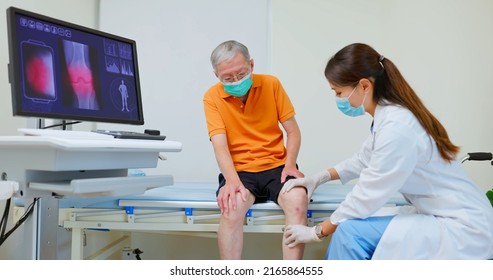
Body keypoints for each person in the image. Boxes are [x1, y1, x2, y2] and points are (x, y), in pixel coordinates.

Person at [281, 43, 493, 259]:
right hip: (443, 214)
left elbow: (368, 193)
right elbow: (363, 160)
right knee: (353, 227)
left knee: (348, 233)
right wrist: (319, 178)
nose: (338, 99)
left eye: (339, 92)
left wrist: (318, 231)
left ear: (364, 86)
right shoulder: (389, 117)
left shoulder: (397, 127)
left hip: (463, 227)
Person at [203, 40, 307, 259]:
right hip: (240, 171)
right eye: (228, 78)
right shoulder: (212, 97)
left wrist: (289, 165)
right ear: (216, 76)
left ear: (251, 64)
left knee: (298, 201)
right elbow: (219, 145)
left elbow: (293, 132)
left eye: (241, 73)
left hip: (277, 166)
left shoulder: (271, 84)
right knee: (231, 210)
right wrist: (231, 181)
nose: (236, 81)